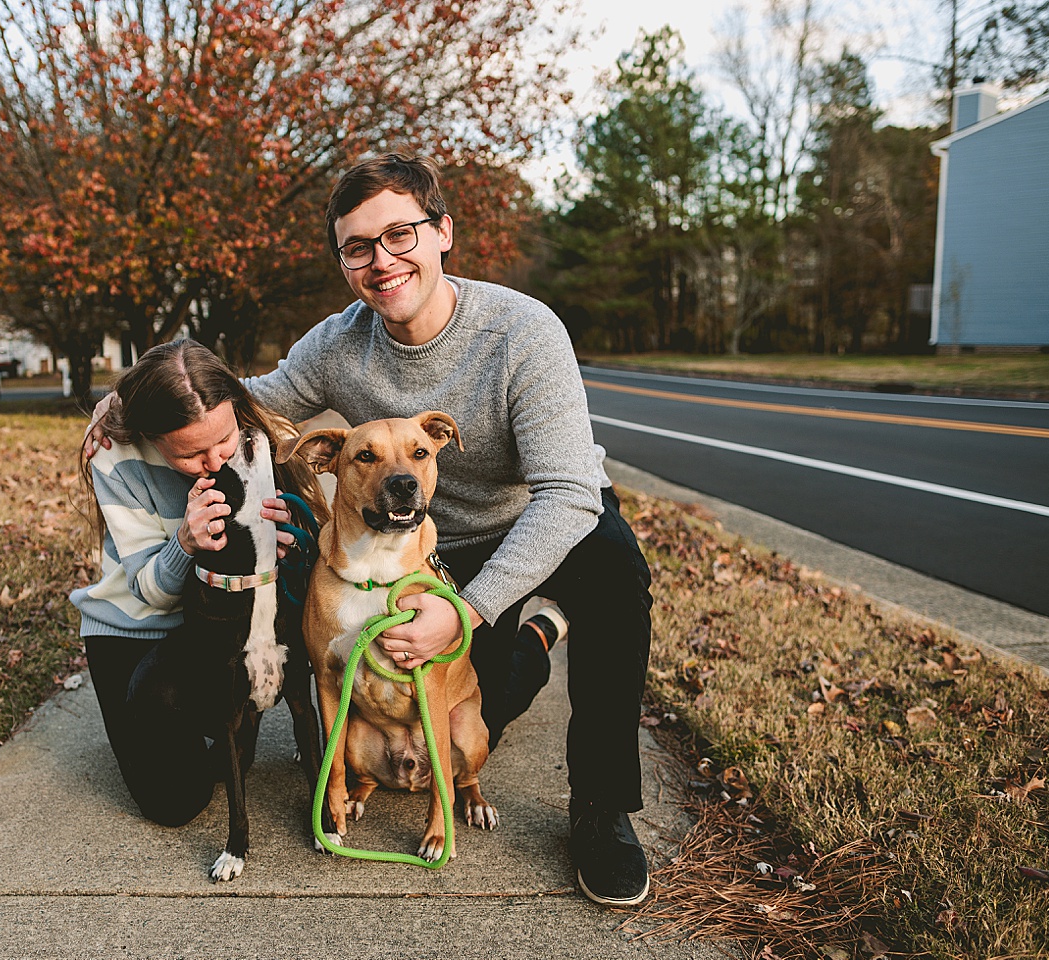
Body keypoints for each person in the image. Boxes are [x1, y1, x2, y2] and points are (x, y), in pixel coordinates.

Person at [87, 155, 653, 906]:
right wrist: (123, 409)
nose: (381, 261)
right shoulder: (336, 342)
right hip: (420, 545)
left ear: (442, 232)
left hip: (530, 527)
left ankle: (601, 808)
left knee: (614, 566)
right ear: (344, 261)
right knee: (468, 708)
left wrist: (468, 607)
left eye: (399, 235)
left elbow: (569, 494)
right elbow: (240, 403)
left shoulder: (523, 332)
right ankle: (536, 639)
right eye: (358, 247)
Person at [71, 339, 328, 828]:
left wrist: (292, 538)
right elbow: (150, 590)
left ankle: (216, 720)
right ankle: (174, 723)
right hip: (139, 627)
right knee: (175, 802)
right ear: (151, 434)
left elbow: (314, 544)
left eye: (222, 442)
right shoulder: (114, 454)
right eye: (190, 454)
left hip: (223, 616)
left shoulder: (257, 435)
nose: (214, 461)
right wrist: (184, 543)